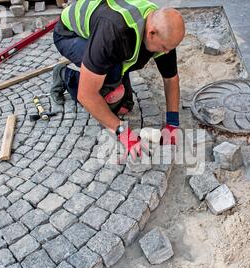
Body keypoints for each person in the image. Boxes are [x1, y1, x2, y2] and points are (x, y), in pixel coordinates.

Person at [51, 0, 185, 159]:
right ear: (151, 33)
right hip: (69, 33)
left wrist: (172, 123)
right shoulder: (113, 32)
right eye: (164, 48)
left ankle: (113, 81)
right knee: (109, 89)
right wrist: (124, 133)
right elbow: (86, 95)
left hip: (109, 32)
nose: (168, 52)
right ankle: (66, 76)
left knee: (124, 105)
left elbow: (170, 78)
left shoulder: (163, 31)